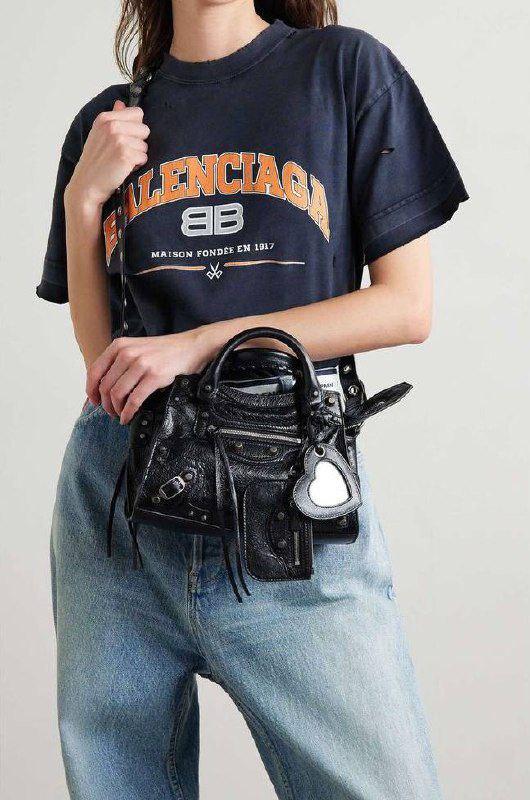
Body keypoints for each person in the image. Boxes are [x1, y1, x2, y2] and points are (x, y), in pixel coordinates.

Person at [38, 1, 468, 798]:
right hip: (121, 500)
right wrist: (81, 203)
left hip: (288, 492)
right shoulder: (107, 123)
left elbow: (406, 307)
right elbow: (106, 369)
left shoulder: (344, 72)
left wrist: (202, 343)